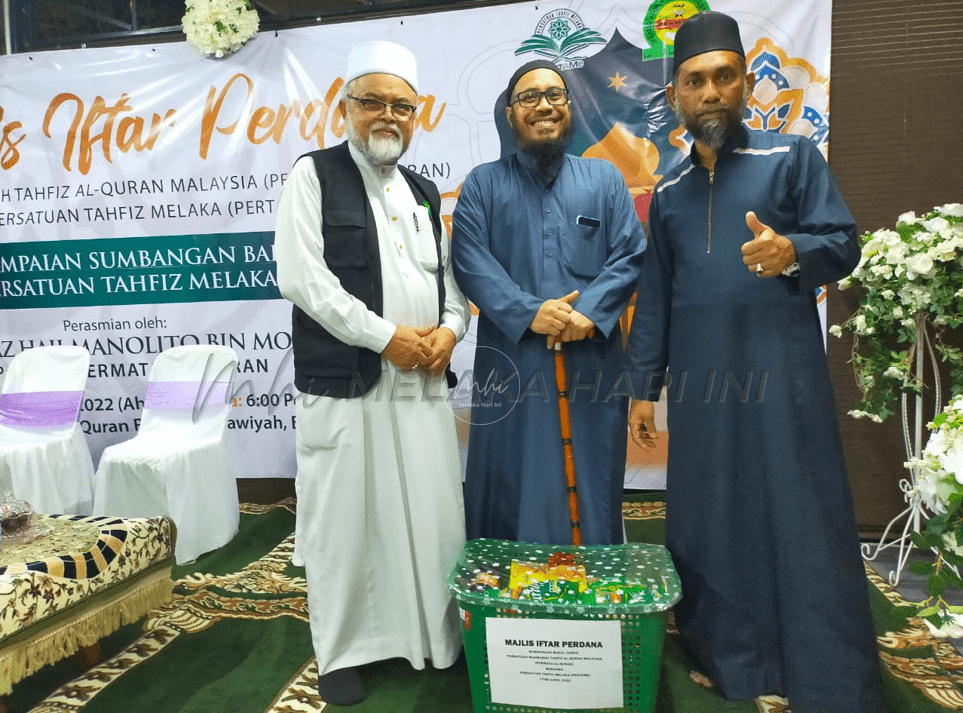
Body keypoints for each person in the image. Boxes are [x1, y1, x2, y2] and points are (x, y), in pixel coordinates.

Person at [626, 11, 886, 712]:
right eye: (693, 81)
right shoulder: (671, 192)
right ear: (676, 96)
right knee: (711, 515)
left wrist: (791, 252)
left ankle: (823, 669)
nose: (709, 92)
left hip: (783, 379)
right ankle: (729, 658)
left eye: (722, 77)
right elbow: (656, 294)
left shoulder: (791, 157)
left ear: (743, 84)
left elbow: (842, 240)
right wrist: (643, 388)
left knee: (797, 511)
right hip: (705, 387)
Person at [274, 40, 470, 707]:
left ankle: (434, 637)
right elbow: (304, 280)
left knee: (430, 512)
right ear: (345, 105)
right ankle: (342, 651)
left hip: (419, 383)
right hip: (350, 384)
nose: (386, 116)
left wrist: (449, 329)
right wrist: (386, 337)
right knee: (344, 522)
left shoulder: (420, 189)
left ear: (416, 115)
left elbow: (448, 287)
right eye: (372, 102)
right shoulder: (312, 174)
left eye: (401, 105)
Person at [451, 60, 646, 546]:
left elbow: (630, 253)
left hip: (591, 363)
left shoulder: (603, 179)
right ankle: (509, 604)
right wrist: (528, 312)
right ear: (511, 114)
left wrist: (590, 312)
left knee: (591, 475)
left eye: (555, 95)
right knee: (510, 481)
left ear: (569, 108)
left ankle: (595, 594)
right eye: (529, 97)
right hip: (512, 364)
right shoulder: (482, 184)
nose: (544, 105)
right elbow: (470, 260)